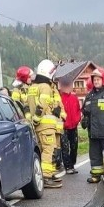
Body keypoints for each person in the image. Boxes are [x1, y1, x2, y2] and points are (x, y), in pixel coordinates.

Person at [27, 59, 65, 188]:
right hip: (45, 126)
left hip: (37, 127)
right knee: (48, 150)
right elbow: (42, 105)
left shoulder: (33, 87)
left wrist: (33, 121)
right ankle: (47, 177)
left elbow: (27, 106)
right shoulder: (45, 87)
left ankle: (46, 175)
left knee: (43, 150)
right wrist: (38, 118)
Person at [58, 78, 81, 174]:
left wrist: (78, 119)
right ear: (62, 86)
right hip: (64, 126)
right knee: (65, 147)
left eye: (69, 85)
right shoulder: (59, 98)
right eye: (66, 85)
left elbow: (78, 109)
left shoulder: (74, 97)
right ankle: (67, 166)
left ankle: (72, 164)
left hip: (74, 125)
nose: (68, 87)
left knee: (74, 146)